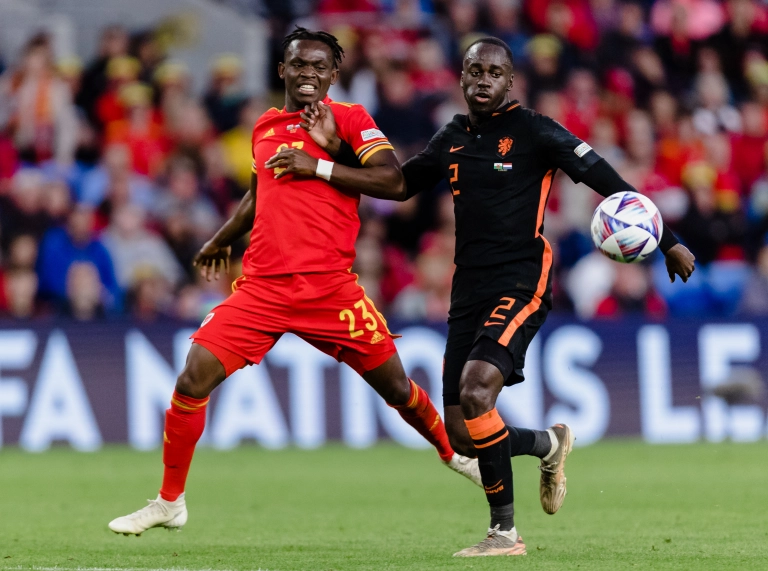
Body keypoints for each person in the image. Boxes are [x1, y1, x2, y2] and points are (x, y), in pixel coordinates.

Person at [300, 36, 696, 557]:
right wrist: (334, 154)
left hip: (521, 279)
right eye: (473, 72)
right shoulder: (454, 136)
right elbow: (399, 185)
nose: (482, 81)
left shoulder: (533, 130)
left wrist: (667, 241)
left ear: (510, 82)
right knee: (464, 433)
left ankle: (504, 534)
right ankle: (548, 444)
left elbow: (603, 176)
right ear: (461, 79)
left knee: (477, 391)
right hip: (468, 288)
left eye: (493, 73)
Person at [107, 27, 480, 537]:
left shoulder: (348, 120)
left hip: (330, 290)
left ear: (333, 74)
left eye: (319, 66)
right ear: (282, 70)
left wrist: (320, 164)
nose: (309, 73)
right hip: (262, 289)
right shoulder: (265, 125)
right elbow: (260, 192)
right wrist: (222, 238)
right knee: (192, 376)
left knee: (396, 388)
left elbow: (394, 183)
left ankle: (451, 453)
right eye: (299, 64)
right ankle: (170, 502)